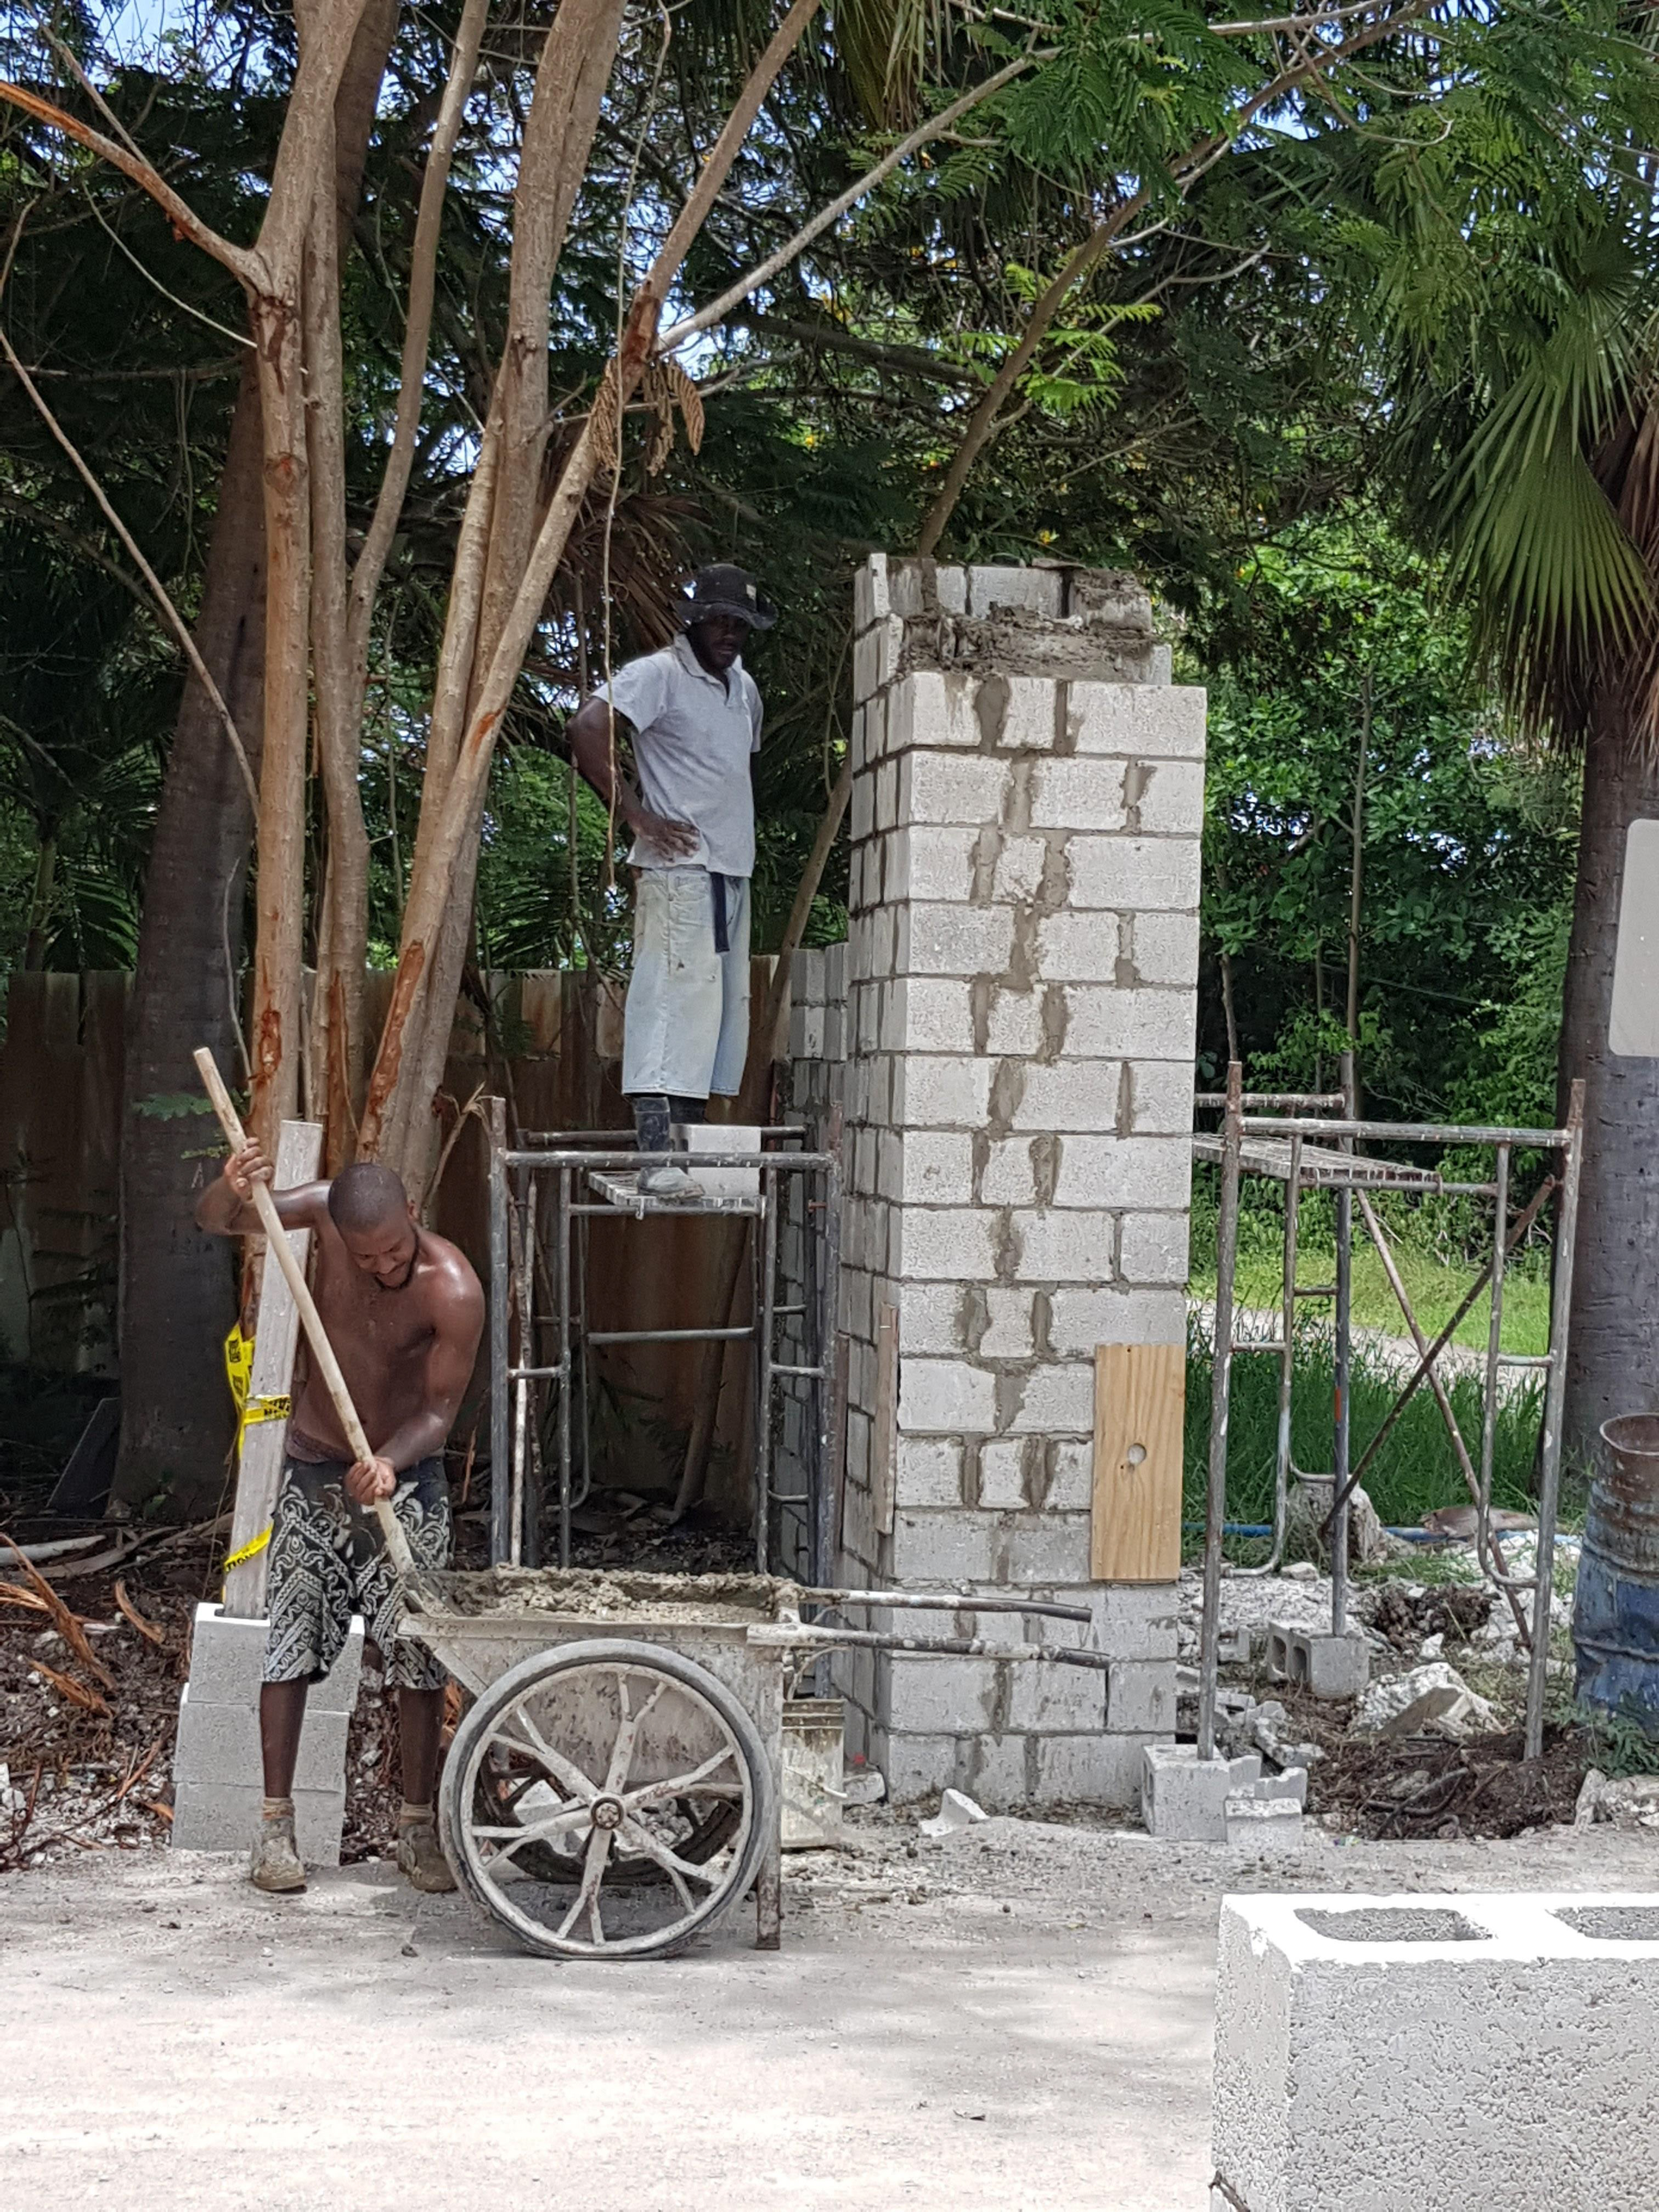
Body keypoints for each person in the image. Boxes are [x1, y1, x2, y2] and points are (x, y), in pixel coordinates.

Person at [195, 1149, 485, 1895]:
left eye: (393, 1251)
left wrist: (388, 1461)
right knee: (290, 1641)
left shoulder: (452, 1288)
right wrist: (230, 1189)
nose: (383, 1266)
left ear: (413, 1214)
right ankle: (274, 1829)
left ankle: (416, 1827)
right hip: (316, 1465)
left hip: (406, 1479)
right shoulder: (323, 1211)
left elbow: (439, 1412)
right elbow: (222, 1222)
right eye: (366, 1257)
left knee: (419, 1654)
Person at [565, 562, 775, 1195]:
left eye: (739, 623)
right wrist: (636, 815)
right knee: (667, 1003)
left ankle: (686, 1154)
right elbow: (587, 726)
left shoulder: (744, 689)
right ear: (694, 621)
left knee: (710, 1017)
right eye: (718, 620)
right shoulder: (660, 673)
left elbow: (733, 771)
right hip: (679, 869)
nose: (729, 632)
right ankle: (656, 1157)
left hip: (729, 869)